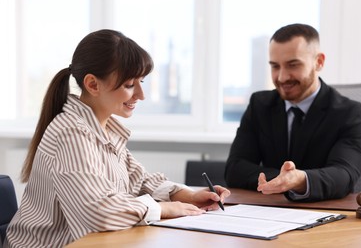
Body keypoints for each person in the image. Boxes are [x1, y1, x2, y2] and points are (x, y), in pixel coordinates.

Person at [4, 29, 230, 248]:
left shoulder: (105, 129)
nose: (141, 95)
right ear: (93, 84)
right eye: (130, 85)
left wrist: (188, 195)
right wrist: (163, 208)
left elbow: (139, 181)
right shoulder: (70, 133)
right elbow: (98, 213)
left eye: (141, 82)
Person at [224, 23, 361, 202]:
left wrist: (299, 180)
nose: (282, 77)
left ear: (319, 62)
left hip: (326, 215)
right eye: (275, 66)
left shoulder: (352, 113)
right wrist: (283, 180)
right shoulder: (259, 105)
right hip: (269, 211)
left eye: (293, 65)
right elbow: (235, 169)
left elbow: (343, 175)